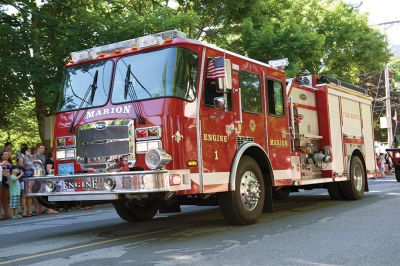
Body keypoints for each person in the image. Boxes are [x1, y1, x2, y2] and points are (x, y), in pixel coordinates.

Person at [18, 146, 34, 217]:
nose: (29, 152)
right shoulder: (21, 158)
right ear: (24, 151)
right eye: (28, 150)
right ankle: (24, 211)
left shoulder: (31, 157)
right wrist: (24, 158)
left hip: (31, 177)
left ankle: (30, 211)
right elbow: (22, 166)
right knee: (24, 195)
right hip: (24, 178)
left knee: (30, 195)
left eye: (30, 151)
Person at [0, 151, 12, 219]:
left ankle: (7, 213)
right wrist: (1, 164)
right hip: (1, 181)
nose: (7, 155)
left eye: (8, 154)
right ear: (1, 156)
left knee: (6, 198)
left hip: (8, 182)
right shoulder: (1, 163)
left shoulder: (10, 163)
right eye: (5, 154)